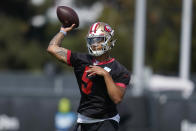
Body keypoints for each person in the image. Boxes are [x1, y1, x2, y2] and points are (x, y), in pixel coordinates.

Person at [47, 22, 131, 131]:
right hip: (84, 120)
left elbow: (117, 98)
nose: (95, 44)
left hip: (106, 121)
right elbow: (52, 48)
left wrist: (105, 75)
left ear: (109, 40)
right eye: (92, 40)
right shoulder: (82, 60)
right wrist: (63, 31)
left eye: (99, 40)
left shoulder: (119, 69)